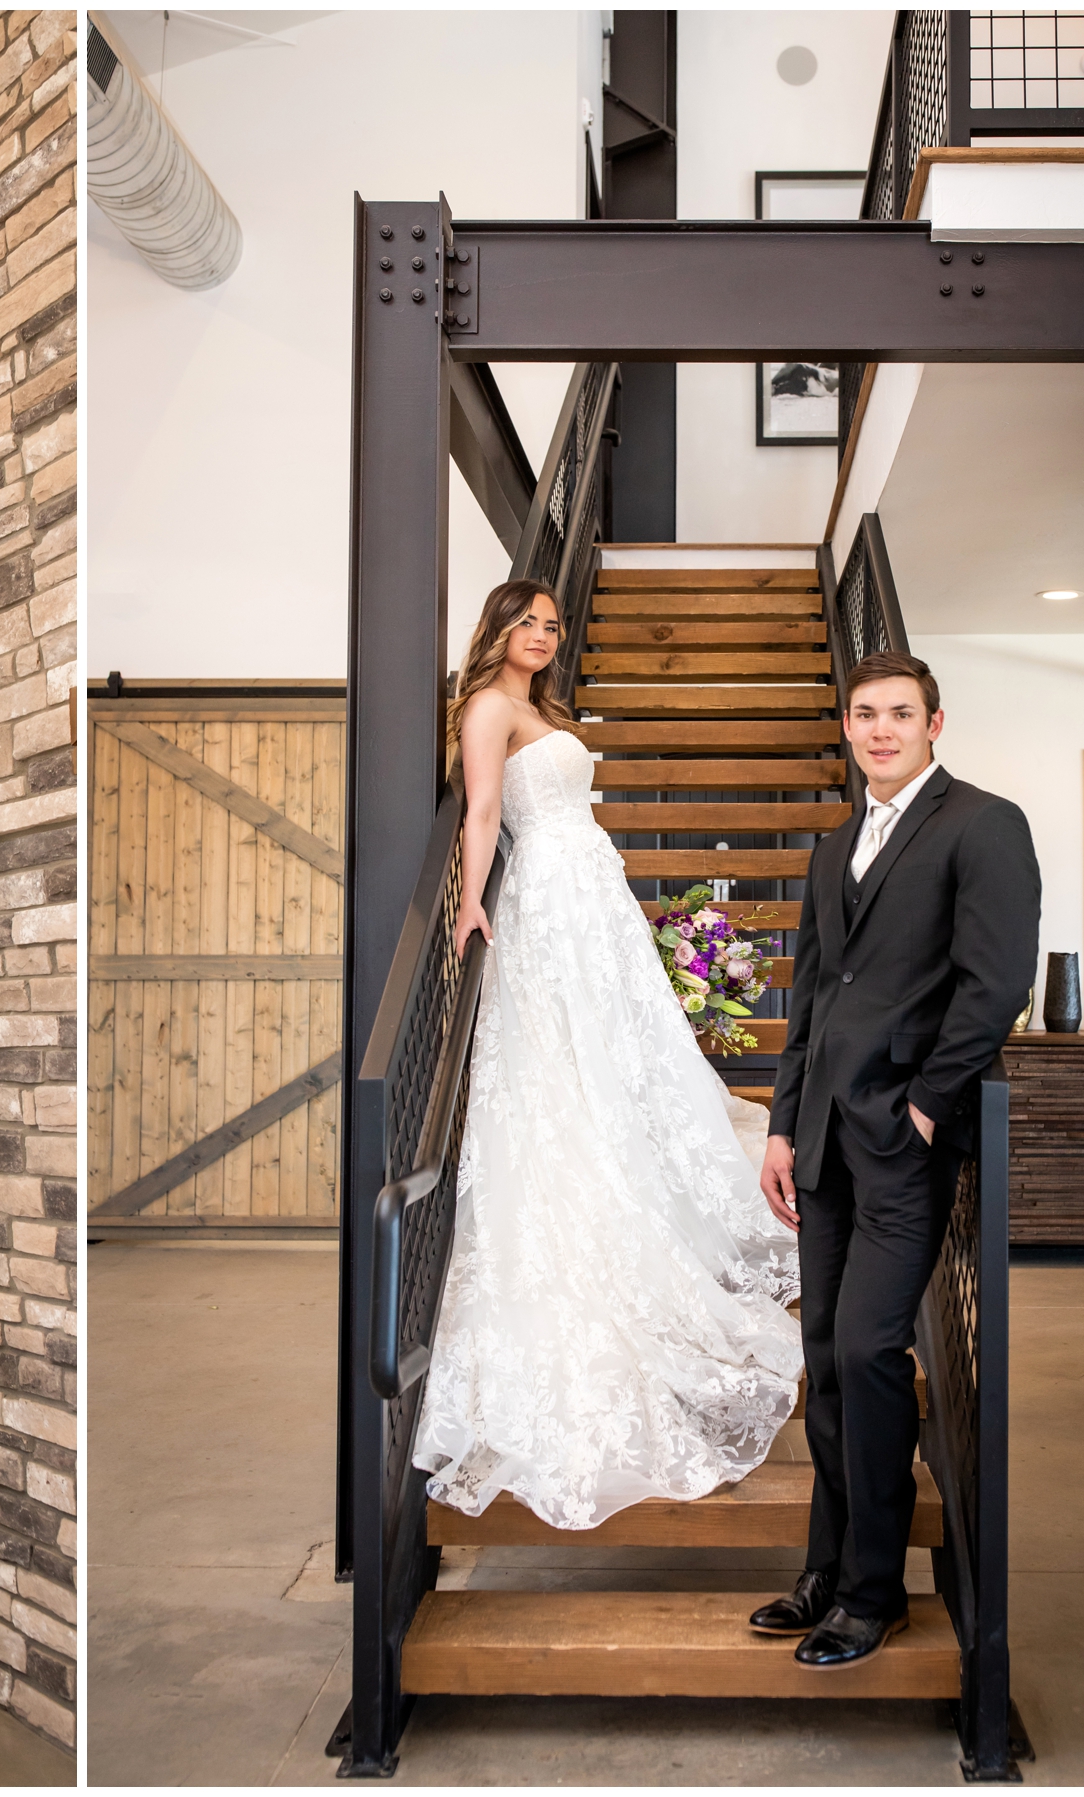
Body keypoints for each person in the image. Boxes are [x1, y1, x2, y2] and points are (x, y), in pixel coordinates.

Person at [412, 580, 803, 1531]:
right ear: (497, 629)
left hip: (592, 889)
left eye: (551, 625)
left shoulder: (543, 707)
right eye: (527, 623)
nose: (542, 636)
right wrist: (469, 899)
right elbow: (481, 812)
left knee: (622, 1053)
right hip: (544, 889)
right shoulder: (486, 707)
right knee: (561, 1063)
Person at [752, 652, 1037, 1668]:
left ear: (935, 723)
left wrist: (925, 1105)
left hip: (905, 1142)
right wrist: (783, 1124)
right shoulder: (835, 848)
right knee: (824, 1358)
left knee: (874, 1353)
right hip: (824, 1138)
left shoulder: (982, 824)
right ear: (849, 726)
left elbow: (995, 982)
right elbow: (813, 1001)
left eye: (900, 714)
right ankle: (828, 1571)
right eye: (865, 714)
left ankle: (879, 1592)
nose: (881, 729)